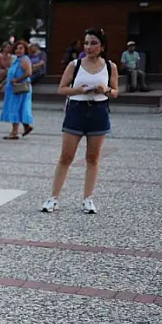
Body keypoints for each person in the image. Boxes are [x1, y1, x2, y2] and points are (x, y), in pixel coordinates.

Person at [41, 28, 119, 215]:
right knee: (66, 156)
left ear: (102, 46)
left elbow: (115, 92)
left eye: (93, 43)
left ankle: (88, 199)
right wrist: (79, 90)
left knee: (92, 158)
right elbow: (61, 89)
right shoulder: (74, 65)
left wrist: (105, 90)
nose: (89, 47)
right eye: (86, 43)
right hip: (77, 110)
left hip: (99, 111)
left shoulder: (110, 66)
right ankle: (53, 198)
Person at [0, 40, 34, 139]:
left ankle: (14, 132)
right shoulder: (17, 60)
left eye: (21, 48)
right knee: (18, 108)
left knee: (15, 108)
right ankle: (26, 127)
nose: (18, 51)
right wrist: (3, 84)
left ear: (25, 50)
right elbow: (11, 74)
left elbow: (29, 72)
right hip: (14, 88)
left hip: (20, 88)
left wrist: (18, 80)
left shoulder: (24, 60)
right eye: (17, 49)